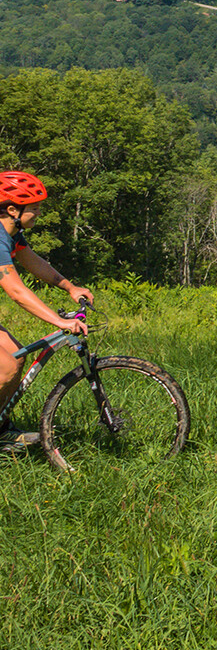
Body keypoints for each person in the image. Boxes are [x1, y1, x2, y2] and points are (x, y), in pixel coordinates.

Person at [0, 171, 93, 447]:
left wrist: (69, 287)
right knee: (5, 366)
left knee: (15, 358)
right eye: (35, 208)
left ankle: (2, 430)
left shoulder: (12, 234)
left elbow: (32, 261)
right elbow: (16, 291)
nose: (39, 212)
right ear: (13, 209)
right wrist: (60, 321)